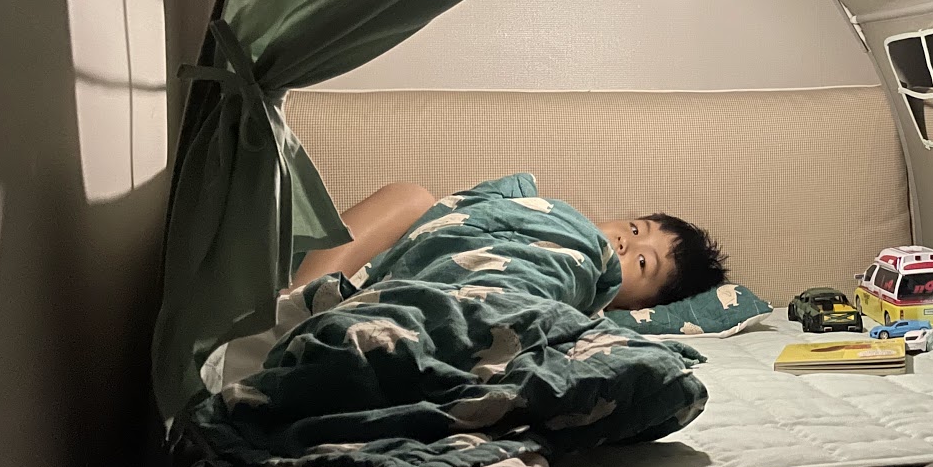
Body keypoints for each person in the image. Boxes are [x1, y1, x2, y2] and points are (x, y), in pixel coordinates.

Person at [292, 181, 729, 310]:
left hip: (405, 291)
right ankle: (296, 298)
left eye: (642, 263)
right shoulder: (549, 218)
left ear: (640, 304)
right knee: (411, 196)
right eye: (634, 230)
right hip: (369, 261)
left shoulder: (576, 294)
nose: (624, 243)